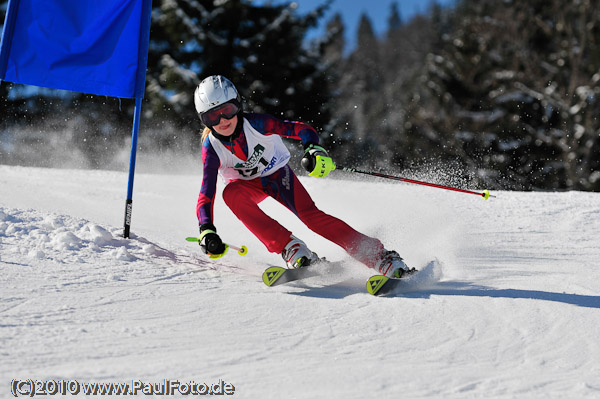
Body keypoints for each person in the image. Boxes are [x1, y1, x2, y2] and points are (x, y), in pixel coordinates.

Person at [194, 75, 410, 278]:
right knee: (230, 193)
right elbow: (206, 192)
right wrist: (207, 230)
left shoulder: (258, 124)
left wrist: (313, 149)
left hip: (277, 176)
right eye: (212, 115)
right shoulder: (211, 148)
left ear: (238, 105)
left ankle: (380, 257)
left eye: (228, 110)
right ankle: (291, 248)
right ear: (204, 119)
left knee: (312, 217)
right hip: (247, 187)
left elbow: (300, 129)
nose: (223, 120)